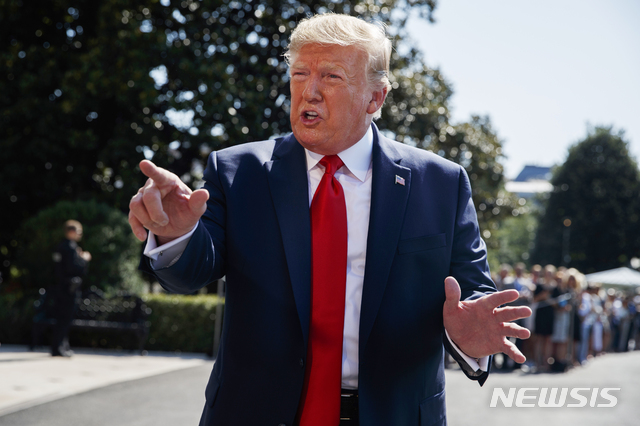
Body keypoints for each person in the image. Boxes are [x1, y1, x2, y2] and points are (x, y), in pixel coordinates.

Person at [129, 14, 530, 426]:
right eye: (300, 73)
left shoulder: (441, 183)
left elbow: (473, 295)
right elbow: (193, 270)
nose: (310, 91)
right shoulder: (237, 171)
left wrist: (468, 337)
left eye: (332, 77)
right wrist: (177, 233)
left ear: (375, 99)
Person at [50, 220, 91, 357]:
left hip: (60, 287)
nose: (80, 235)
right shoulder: (71, 248)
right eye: (79, 232)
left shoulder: (60, 246)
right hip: (70, 289)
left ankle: (61, 346)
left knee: (61, 318)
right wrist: (84, 259)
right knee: (65, 318)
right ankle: (59, 348)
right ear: (72, 232)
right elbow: (74, 268)